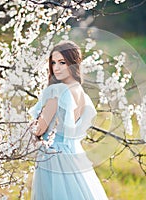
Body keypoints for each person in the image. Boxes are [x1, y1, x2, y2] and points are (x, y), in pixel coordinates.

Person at [30, 40, 108, 200]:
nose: (56, 67)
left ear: (73, 64)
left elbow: (40, 129)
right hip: (72, 154)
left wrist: (31, 127)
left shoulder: (57, 91)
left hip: (52, 156)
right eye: (53, 62)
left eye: (62, 62)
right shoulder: (80, 92)